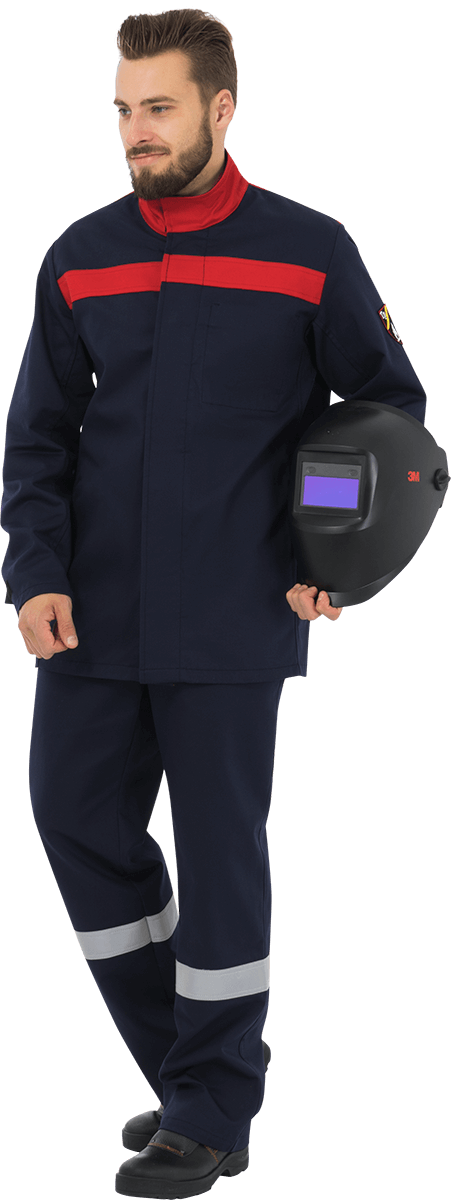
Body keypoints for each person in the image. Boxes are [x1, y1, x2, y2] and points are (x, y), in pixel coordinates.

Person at [0, 10, 426, 1197]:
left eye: (159, 108)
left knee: (220, 852)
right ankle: (198, 1073)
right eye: (122, 110)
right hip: (91, 613)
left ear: (221, 107)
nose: (135, 132)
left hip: (235, 606)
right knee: (70, 817)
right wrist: (35, 571)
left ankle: (213, 1108)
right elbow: (38, 434)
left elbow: (379, 413)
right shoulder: (80, 254)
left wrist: (331, 555)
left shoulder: (309, 248)